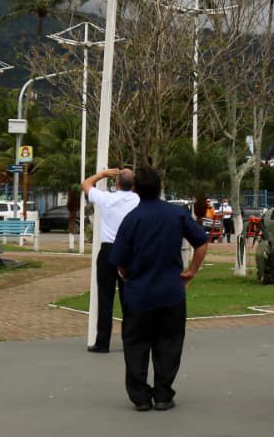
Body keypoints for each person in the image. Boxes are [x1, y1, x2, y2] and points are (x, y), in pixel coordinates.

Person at [109, 166, 208, 412]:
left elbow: (119, 259)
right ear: (161, 186)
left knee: (135, 344)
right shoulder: (177, 214)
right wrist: (191, 271)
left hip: (138, 294)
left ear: (136, 190)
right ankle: (163, 394)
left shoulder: (131, 219)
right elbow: (202, 242)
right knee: (170, 342)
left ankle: (140, 396)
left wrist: (127, 273)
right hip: (171, 292)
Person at [82, 166, 138, 353]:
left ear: (116, 183)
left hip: (108, 251)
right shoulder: (138, 200)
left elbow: (86, 184)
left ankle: (102, 342)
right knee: (128, 297)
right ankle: (130, 340)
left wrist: (102, 174)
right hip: (129, 252)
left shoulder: (107, 199)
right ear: (133, 185)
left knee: (105, 297)